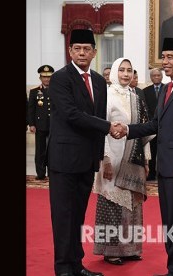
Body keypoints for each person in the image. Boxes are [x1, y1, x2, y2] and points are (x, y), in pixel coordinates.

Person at [112, 37, 173, 276]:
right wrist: (128, 129)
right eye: (163, 56)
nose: (164, 61)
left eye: (169, 57)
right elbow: (155, 124)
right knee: (169, 222)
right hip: (165, 166)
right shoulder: (165, 88)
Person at [47, 29, 120, 276]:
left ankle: (76, 266)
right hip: (64, 161)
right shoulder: (60, 79)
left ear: (94, 52)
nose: (81, 53)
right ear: (70, 51)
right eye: (76, 48)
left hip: (87, 161)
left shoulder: (99, 81)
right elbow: (72, 115)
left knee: (78, 216)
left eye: (86, 49)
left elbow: (97, 116)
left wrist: (100, 155)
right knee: (63, 218)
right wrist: (109, 127)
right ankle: (63, 270)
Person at [93, 57, 154, 265]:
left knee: (133, 203)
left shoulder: (136, 96)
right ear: (114, 73)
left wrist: (146, 160)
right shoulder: (107, 95)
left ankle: (131, 248)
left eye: (130, 70)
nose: (126, 74)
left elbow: (143, 130)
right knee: (112, 202)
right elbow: (101, 130)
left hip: (133, 159)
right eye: (122, 70)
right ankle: (111, 250)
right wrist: (106, 160)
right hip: (113, 156)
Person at [28, 65, 54, 180]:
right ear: (40, 78)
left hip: (55, 125)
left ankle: (53, 173)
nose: (46, 79)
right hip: (40, 125)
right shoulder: (34, 91)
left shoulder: (57, 90)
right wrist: (31, 124)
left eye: (49, 77)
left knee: (54, 150)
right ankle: (41, 173)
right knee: (40, 151)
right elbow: (31, 109)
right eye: (44, 77)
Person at [141, 68, 164, 180]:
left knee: (163, 151)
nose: (156, 77)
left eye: (158, 75)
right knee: (152, 150)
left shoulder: (167, 88)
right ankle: (151, 173)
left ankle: (162, 172)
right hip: (151, 125)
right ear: (151, 77)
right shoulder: (145, 91)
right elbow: (145, 108)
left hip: (165, 126)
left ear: (161, 76)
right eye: (154, 75)